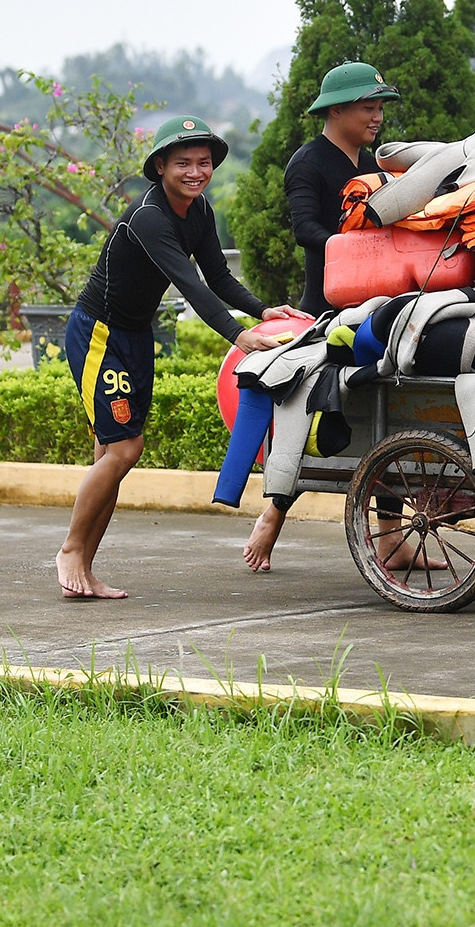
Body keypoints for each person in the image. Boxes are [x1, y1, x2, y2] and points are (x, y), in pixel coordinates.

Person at [63, 115, 309, 599]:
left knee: (109, 456)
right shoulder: (149, 217)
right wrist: (240, 337)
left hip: (135, 336)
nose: (196, 172)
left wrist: (262, 309)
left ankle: (86, 570)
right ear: (159, 167)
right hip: (99, 334)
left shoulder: (199, 212)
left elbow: (217, 275)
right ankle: (71, 550)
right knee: (124, 451)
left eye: (204, 162)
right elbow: (191, 286)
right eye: (183, 163)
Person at [242, 61, 395, 571]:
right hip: (327, 307)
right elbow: (305, 227)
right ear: (337, 110)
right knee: (305, 412)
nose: (377, 117)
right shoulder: (308, 162)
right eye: (368, 107)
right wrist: (357, 245)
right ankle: (273, 514)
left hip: (376, 304)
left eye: (379, 108)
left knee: (390, 412)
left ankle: (392, 537)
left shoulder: (373, 161)